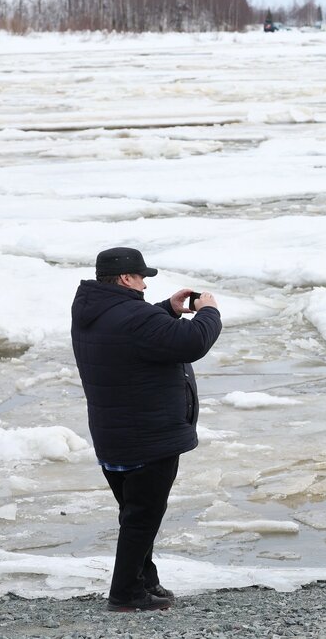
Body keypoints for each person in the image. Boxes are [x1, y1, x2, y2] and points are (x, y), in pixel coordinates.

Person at [71, 247, 222, 610]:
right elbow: (192, 342)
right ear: (125, 279)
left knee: (135, 513)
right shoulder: (133, 317)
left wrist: (166, 308)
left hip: (115, 435)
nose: (143, 284)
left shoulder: (92, 310)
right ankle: (125, 594)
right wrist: (210, 312)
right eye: (141, 278)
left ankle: (143, 581)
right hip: (148, 437)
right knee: (142, 518)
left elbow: (132, 328)